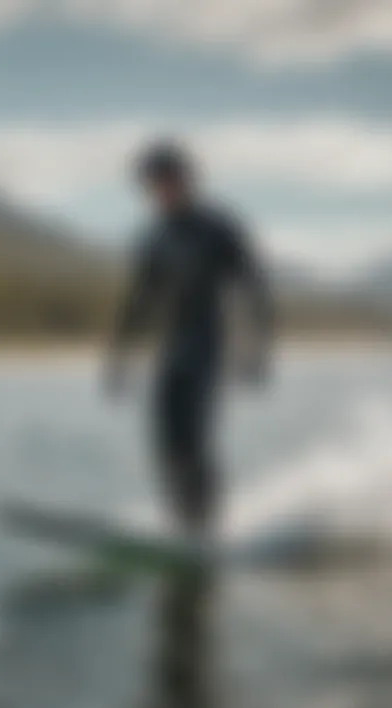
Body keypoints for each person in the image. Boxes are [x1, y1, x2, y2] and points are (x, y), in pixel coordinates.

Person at [105, 140, 273, 538]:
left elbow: (254, 288)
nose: (162, 189)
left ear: (187, 179)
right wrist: (119, 358)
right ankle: (182, 524)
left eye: (169, 179)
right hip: (174, 347)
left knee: (195, 439)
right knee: (165, 441)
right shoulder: (154, 237)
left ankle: (206, 527)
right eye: (154, 183)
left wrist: (256, 351)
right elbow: (140, 301)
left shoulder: (217, 229)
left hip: (210, 344)